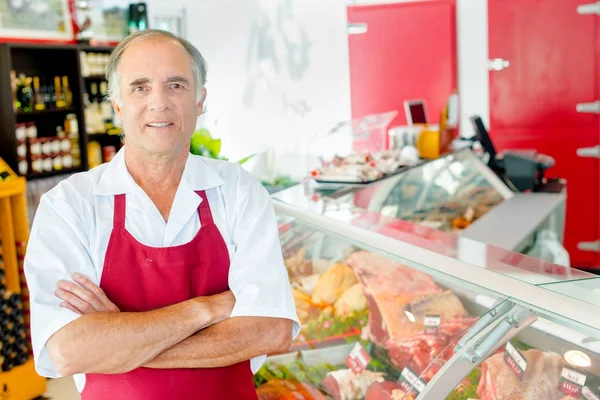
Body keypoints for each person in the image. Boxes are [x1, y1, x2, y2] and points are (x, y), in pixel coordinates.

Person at [24, 29, 300, 400]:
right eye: (139, 87)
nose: (159, 102)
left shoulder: (238, 190)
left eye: (176, 85)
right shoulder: (70, 205)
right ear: (117, 104)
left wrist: (121, 341)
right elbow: (69, 349)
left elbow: (271, 329)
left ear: (200, 99)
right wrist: (207, 309)